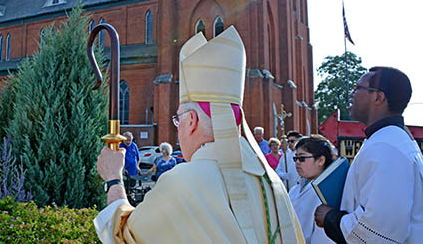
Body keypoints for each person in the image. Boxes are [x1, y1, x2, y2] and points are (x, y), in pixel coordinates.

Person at [94, 26, 304, 243]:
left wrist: (113, 178)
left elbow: (125, 236)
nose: (177, 128)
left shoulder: (183, 182)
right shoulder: (272, 183)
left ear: (192, 121)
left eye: (178, 120)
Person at [315, 66, 423, 243]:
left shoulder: (387, 147)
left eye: (358, 88)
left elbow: (378, 230)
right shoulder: (390, 139)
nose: (352, 94)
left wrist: (329, 218)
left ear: (378, 97)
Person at [289, 135, 335, 244]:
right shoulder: (294, 190)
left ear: (321, 160)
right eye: (296, 158)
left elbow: (323, 239)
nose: (297, 162)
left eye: (302, 158)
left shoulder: (327, 194)